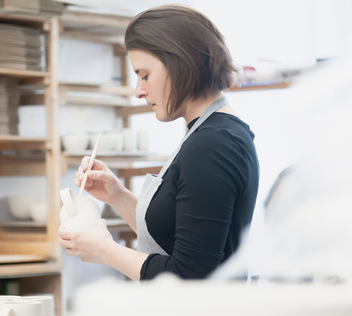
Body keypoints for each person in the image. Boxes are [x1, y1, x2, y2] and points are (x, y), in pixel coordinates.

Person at [58, 4, 259, 281]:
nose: (139, 91)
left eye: (145, 75)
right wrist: (116, 195)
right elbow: (176, 238)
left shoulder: (212, 145)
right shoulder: (210, 135)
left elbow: (190, 276)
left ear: (180, 62)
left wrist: (106, 251)